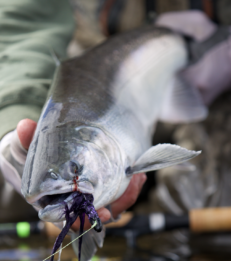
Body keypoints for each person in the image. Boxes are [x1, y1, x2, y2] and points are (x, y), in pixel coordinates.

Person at [0, 1, 230, 228]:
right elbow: (22, 23)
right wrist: (14, 115)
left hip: (211, 75)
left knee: (205, 203)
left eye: (75, 170)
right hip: (77, 63)